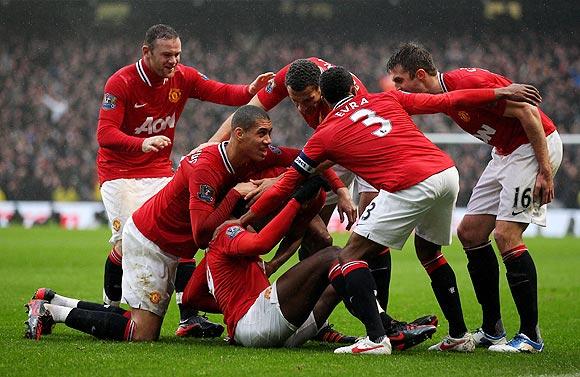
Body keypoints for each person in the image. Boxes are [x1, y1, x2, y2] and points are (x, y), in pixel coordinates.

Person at [242, 66, 542, 354]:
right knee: (429, 252)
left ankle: (376, 339)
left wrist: (247, 218)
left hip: (410, 182)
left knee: (349, 255)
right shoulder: (387, 97)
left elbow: (286, 185)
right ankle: (459, 334)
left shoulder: (324, 133)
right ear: (352, 87)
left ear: (323, 96)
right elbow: (448, 100)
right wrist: (498, 92)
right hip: (445, 173)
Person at [24, 105, 345, 341]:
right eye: (262, 133)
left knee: (142, 319)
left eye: (270, 133)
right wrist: (234, 196)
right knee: (141, 332)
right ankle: (52, 313)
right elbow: (202, 233)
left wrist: (341, 189)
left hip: (172, 246)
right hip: (152, 242)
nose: (268, 141)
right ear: (238, 134)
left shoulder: (253, 154)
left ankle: (54, 300)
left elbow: (305, 156)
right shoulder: (208, 167)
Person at [208, 57, 438, 347]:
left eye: (308, 100)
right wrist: (211, 143)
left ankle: (380, 324)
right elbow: (250, 110)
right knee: (318, 237)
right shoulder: (287, 78)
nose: (302, 108)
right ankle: (357, 323)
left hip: (360, 151)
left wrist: (325, 188)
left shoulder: (345, 94)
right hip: (325, 155)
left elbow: (327, 152)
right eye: (295, 102)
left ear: (322, 89)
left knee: (368, 236)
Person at [96, 23, 274, 336]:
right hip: (121, 175)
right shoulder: (121, 82)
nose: (174, 61)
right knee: (127, 244)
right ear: (146, 52)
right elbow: (105, 134)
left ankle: (187, 318)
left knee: (182, 239)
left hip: (161, 170)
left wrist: (249, 90)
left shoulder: (183, 77)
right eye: (167, 55)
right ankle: (110, 309)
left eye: (178, 54)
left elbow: (219, 91)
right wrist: (141, 143)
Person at [386, 42, 563, 353]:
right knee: (470, 234)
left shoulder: (467, 82)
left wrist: (545, 170)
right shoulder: (445, 96)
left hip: (534, 148)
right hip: (505, 152)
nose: (397, 88)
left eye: (400, 81)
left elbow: (528, 112)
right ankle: (493, 330)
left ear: (420, 75)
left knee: (506, 236)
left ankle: (530, 336)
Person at [202, 176, 350, 349]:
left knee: (345, 270)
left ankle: (377, 332)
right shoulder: (227, 231)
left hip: (271, 329)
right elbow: (262, 243)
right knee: (332, 254)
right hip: (254, 323)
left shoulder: (225, 246)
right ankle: (377, 332)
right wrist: (296, 200)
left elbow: (191, 296)